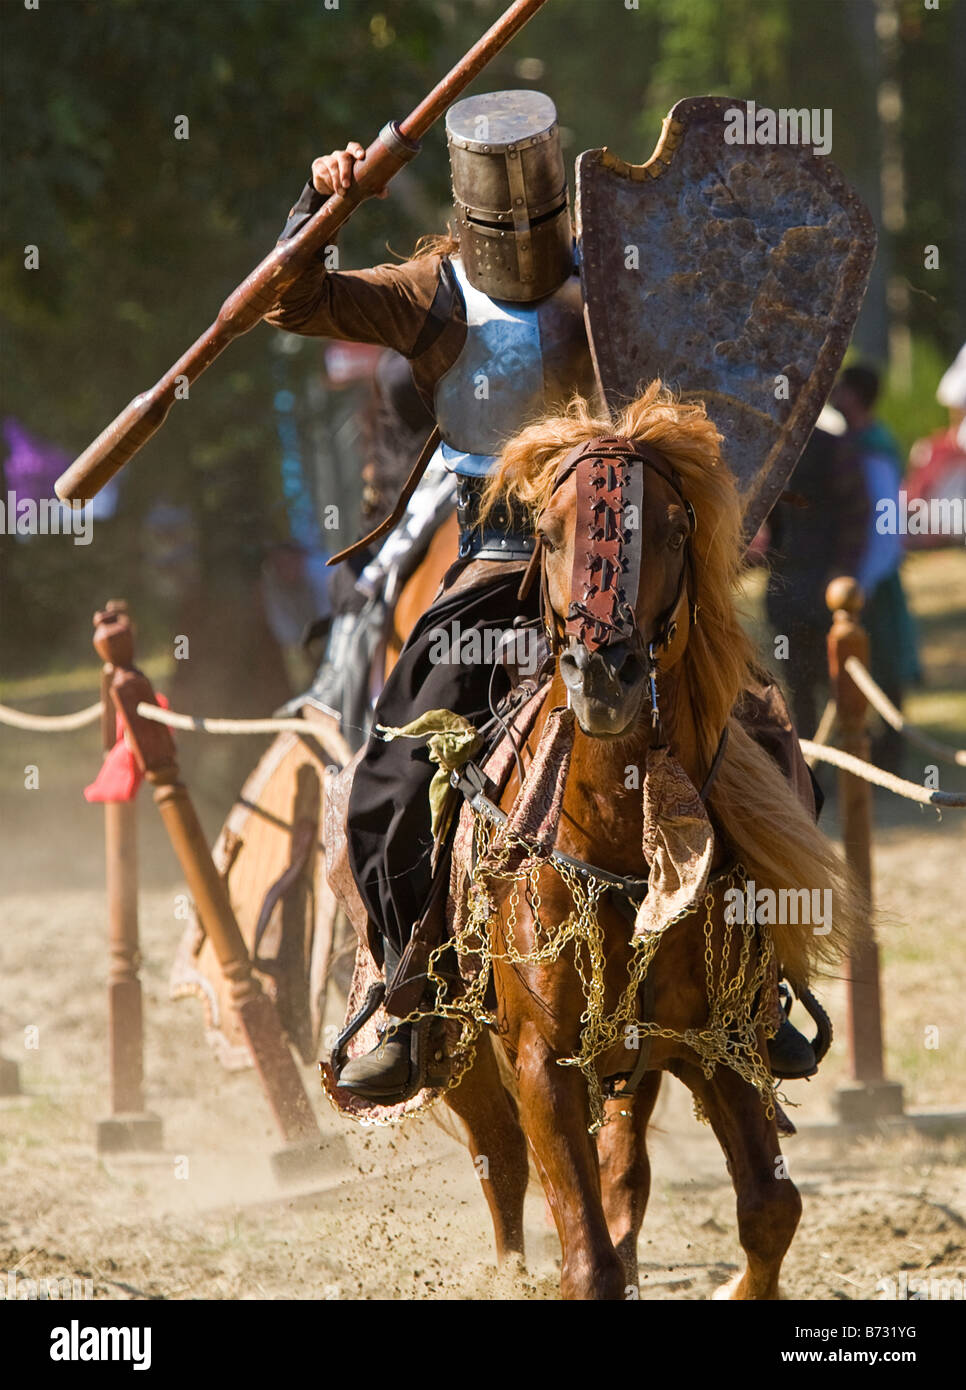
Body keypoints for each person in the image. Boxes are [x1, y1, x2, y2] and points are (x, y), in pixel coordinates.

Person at [267, 90, 817, 1100]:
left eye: (538, 220)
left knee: (759, 733)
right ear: (475, 215)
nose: (523, 236)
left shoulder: (614, 275)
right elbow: (289, 300)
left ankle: (762, 980)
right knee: (390, 782)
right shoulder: (428, 292)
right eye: (505, 222)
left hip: (616, 554)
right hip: (494, 563)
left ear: (562, 204)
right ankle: (412, 991)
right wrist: (321, 202)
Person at [830, 364, 920, 772]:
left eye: (843, 389)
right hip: (867, 577)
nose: (835, 395)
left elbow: (886, 524)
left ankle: (891, 752)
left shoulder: (872, 446)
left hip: (874, 579)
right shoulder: (853, 442)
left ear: (856, 396)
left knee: (885, 665)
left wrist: (862, 582)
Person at [765, 426, 869, 737]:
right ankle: (810, 767)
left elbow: (858, 512)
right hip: (788, 590)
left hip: (828, 587)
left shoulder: (832, 447)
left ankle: (853, 761)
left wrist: (842, 570)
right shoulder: (772, 446)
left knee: (841, 682)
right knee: (797, 687)